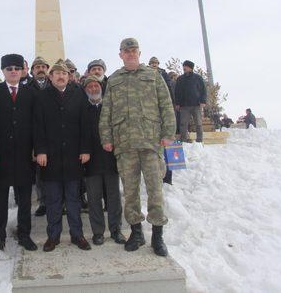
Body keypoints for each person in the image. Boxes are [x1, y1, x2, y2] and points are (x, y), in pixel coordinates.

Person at [99, 38, 176, 257]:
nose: (130, 54)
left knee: (155, 190)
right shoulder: (114, 80)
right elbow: (106, 112)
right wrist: (106, 137)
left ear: (139, 53)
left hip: (151, 142)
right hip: (125, 145)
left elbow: (166, 105)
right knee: (130, 192)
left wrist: (169, 133)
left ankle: (158, 236)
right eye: (126, 51)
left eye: (133, 50)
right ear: (120, 54)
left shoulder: (153, 76)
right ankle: (136, 232)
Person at [34, 60, 92, 252]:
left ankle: (78, 235)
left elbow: (85, 124)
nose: (60, 76)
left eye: (64, 73)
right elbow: (38, 126)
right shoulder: (42, 97)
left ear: (69, 76)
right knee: (53, 200)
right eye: (57, 73)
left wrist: (85, 149)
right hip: (50, 158)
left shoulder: (79, 94)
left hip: (73, 156)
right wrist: (40, 150)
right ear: (50, 77)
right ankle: (53, 236)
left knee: (74, 199)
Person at [0, 54, 38, 255]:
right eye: (9, 68)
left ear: (23, 70)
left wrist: (37, 148)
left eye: (17, 67)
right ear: (3, 71)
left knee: (25, 200)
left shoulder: (31, 93)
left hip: (25, 155)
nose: (13, 71)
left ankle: (24, 234)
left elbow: (37, 124)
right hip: (0, 156)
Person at [82, 75, 126, 246]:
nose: (93, 89)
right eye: (89, 87)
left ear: (101, 88)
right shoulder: (83, 109)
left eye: (96, 86)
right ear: (85, 90)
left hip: (110, 159)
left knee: (114, 197)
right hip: (91, 161)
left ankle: (116, 230)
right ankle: (98, 232)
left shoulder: (110, 107)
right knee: (94, 198)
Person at [29, 56, 50, 216]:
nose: (41, 69)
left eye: (43, 66)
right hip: (35, 135)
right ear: (32, 71)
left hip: (55, 135)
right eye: (37, 67)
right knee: (40, 173)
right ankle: (43, 202)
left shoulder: (55, 84)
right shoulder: (27, 88)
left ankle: (60, 202)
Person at [174, 60, 207, 143]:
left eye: (185, 66)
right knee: (183, 124)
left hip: (196, 105)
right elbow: (177, 92)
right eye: (183, 66)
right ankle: (183, 140)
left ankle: (199, 140)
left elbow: (203, 90)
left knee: (198, 123)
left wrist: (203, 101)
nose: (184, 68)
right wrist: (177, 103)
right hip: (184, 106)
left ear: (190, 68)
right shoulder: (180, 79)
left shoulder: (198, 78)